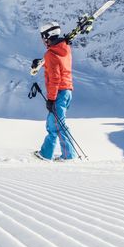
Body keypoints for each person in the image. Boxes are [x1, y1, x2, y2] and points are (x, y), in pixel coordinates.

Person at [34, 22, 76, 161]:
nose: (42, 40)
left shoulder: (51, 55)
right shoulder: (64, 49)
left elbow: (55, 78)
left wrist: (51, 99)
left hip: (59, 92)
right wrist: (41, 61)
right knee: (53, 124)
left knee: (58, 125)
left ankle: (69, 156)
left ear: (47, 36)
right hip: (67, 91)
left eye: (43, 37)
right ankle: (46, 154)